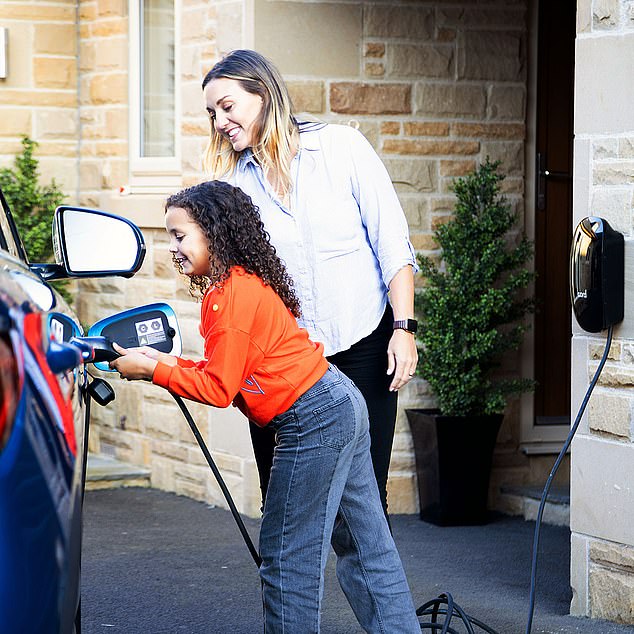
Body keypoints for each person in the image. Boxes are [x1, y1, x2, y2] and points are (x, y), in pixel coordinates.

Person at [109, 181, 420, 633]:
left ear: (215, 233)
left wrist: (151, 371)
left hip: (313, 419)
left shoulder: (228, 297)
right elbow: (230, 368)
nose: (171, 248)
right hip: (339, 401)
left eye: (179, 236)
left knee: (285, 560)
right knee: (366, 547)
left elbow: (217, 388)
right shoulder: (242, 283)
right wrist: (166, 361)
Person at [201, 49, 418, 517]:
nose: (219, 121)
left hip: (362, 342)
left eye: (227, 106)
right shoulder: (228, 185)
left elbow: (393, 245)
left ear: (262, 95)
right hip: (280, 360)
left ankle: (379, 594)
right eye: (212, 112)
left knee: (364, 501)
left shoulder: (342, 148)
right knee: (284, 501)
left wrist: (404, 329)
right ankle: (290, 592)